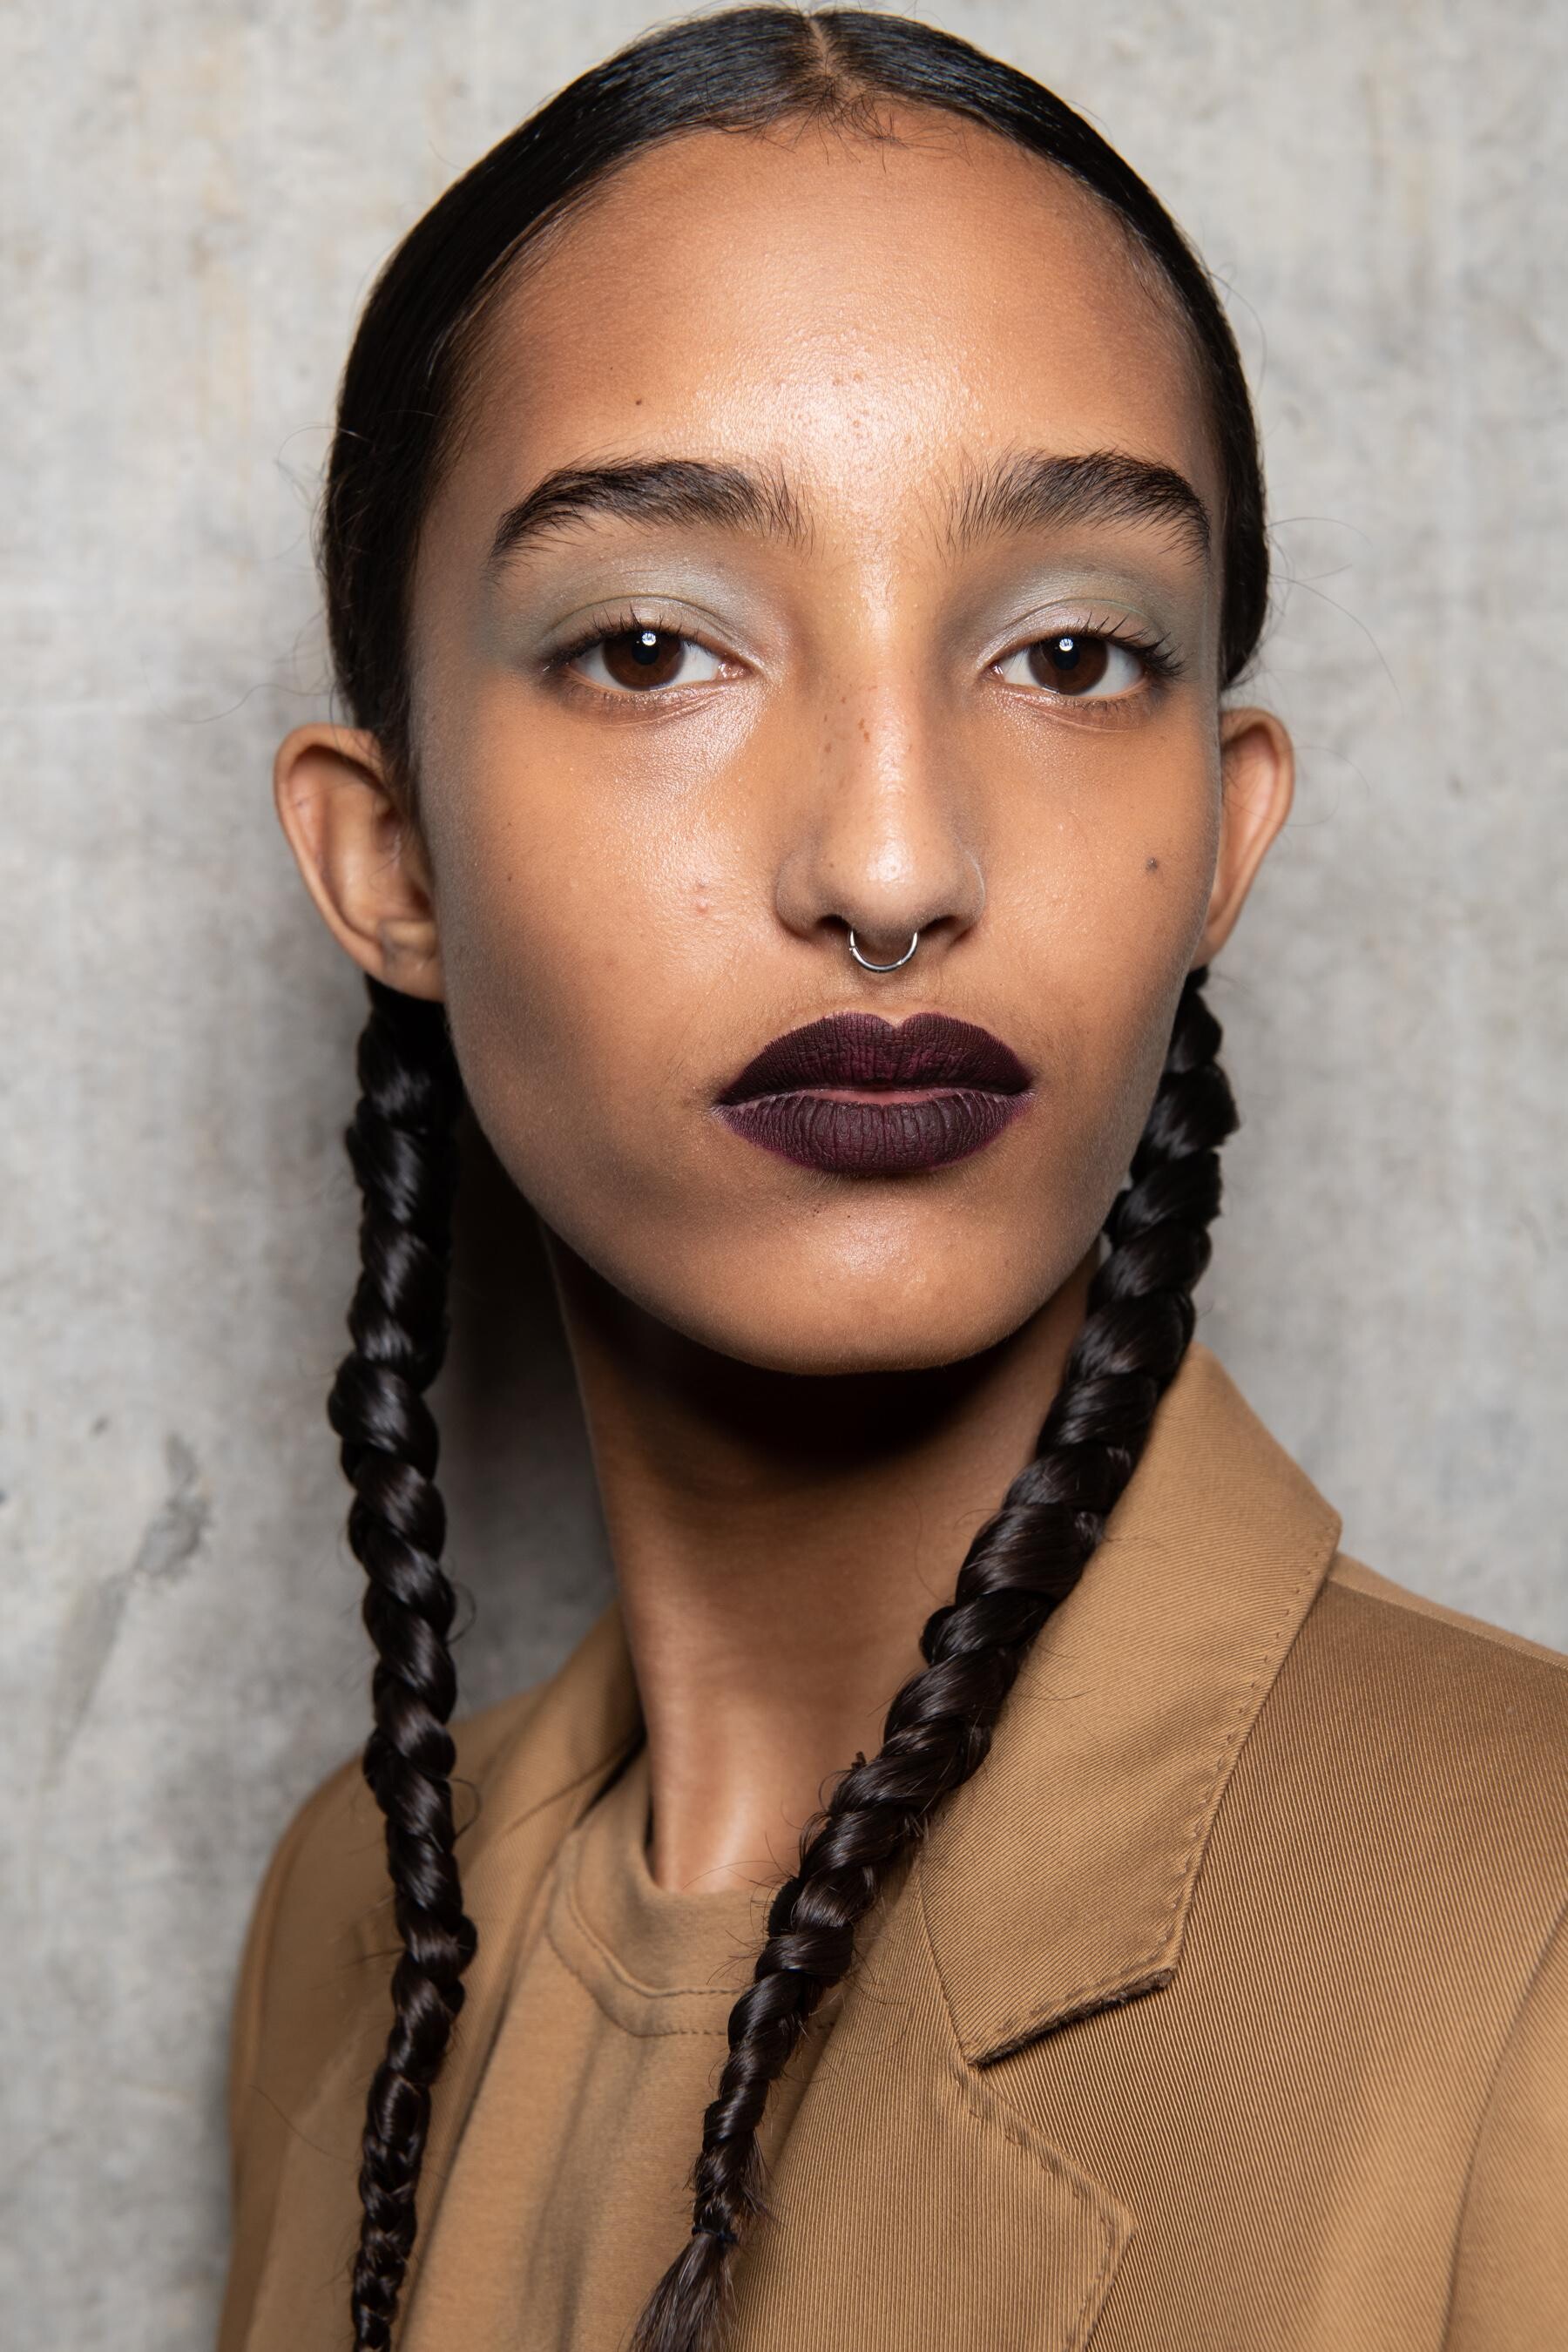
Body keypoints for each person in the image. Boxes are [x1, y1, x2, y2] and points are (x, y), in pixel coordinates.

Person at [218, 10, 1568, 2350]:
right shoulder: (346, 1927)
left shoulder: (1525, 1946)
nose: (891, 859)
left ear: (1222, 833)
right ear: (389, 855)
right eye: (654, 646)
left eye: (1074, 652)